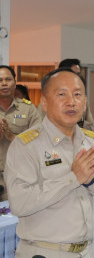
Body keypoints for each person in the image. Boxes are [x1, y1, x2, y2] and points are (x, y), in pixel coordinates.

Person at [4, 68, 94, 257]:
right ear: (45, 103)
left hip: (86, 251)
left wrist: (91, 181)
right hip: (44, 252)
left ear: (85, 102)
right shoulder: (26, 146)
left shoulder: (88, 142)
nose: (71, 102)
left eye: (77, 95)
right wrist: (74, 178)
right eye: (62, 94)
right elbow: (19, 203)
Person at [0, 65, 40, 200]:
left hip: (18, 177)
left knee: (15, 218)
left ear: (15, 83)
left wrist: (13, 137)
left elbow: (40, 140)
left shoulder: (28, 109)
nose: (4, 83)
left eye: (8, 79)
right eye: (0, 80)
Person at [38, 58, 94, 131]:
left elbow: (91, 126)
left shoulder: (81, 99)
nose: (76, 77)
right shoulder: (49, 100)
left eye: (78, 74)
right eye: (73, 73)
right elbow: (39, 125)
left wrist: (80, 123)